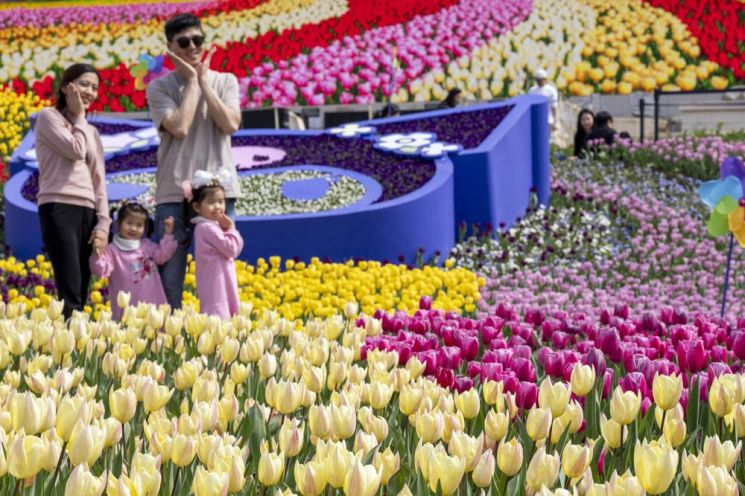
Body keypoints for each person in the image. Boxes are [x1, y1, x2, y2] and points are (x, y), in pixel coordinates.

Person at [146, 13, 242, 310]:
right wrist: (192, 83)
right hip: (173, 192)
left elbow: (230, 124)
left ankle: (218, 340)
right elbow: (180, 126)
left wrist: (204, 83)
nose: (192, 47)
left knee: (219, 274)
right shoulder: (159, 87)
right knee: (170, 277)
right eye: (184, 42)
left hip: (217, 195)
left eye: (197, 40)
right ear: (170, 49)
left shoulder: (226, 81)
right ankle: (164, 342)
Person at [35, 63, 110, 319]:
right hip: (59, 206)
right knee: (70, 286)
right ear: (67, 86)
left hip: (87, 210)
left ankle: (77, 343)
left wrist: (103, 225)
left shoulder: (92, 132)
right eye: (84, 84)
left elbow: (99, 181)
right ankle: (70, 348)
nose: (89, 92)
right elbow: (75, 150)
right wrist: (79, 118)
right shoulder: (49, 118)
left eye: (94, 87)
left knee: (81, 285)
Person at [90, 203, 177, 321]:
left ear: (145, 228)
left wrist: (168, 234)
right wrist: (97, 254)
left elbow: (162, 255)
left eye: (139, 225)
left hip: (152, 303)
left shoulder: (146, 246)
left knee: (153, 332)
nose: (134, 228)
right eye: (129, 223)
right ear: (119, 223)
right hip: (127, 307)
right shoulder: (112, 250)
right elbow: (101, 270)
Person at [186, 169, 244, 319]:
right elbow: (231, 249)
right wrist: (231, 228)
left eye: (221, 201)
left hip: (217, 280)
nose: (217, 207)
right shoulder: (208, 228)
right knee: (219, 317)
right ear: (197, 207)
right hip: (217, 284)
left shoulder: (209, 227)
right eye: (211, 202)